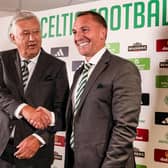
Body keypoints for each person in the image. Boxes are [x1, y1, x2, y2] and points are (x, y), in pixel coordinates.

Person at [64, 11, 141, 168]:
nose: (78, 37)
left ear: (102, 33)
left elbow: (125, 128)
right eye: (74, 32)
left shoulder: (123, 69)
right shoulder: (79, 72)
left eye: (84, 30)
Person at [0, 11, 69, 168]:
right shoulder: (2, 60)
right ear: (13, 38)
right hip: (2, 149)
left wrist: (39, 139)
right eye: (25, 33)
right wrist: (24, 109)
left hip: (36, 154)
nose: (32, 38)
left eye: (36, 32)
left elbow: (61, 113)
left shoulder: (57, 66)